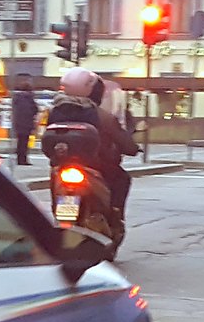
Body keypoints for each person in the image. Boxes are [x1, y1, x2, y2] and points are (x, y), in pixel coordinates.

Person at [45, 66, 139, 217]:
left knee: (55, 175)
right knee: (122, 179)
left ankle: (58, 210)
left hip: (62, 164)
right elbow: (123, 140)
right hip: (98, 167)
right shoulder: (102, 116)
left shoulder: (54, 112)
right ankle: (115, 215)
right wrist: (132, 148)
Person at [10, 79, 38, 167]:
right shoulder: (29, 98)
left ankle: (19, 159)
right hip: (27, 123)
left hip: (17, 123)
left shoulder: (16, 98)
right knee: (24, 143)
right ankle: (24, 159)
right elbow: (35, 109)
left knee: (20, 142)